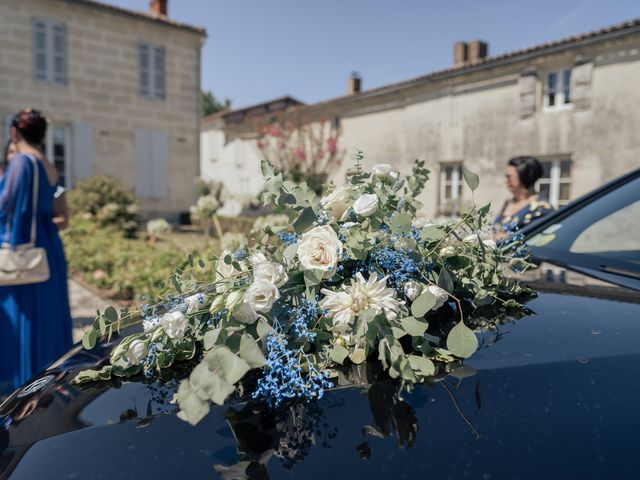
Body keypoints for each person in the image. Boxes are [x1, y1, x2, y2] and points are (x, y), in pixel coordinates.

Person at [0, 109, 72, 395]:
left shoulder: (21, 161)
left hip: (24, 249)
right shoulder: (47, 164)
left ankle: (25, 381)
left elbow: (8, 205)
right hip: (46, 246)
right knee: (46, 314)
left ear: (15, 132)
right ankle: (49, 374)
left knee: (24, 314)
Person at [3, 139, 69, 231]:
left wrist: (32, 227)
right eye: (12, 152)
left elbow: (63, 220)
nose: (16, 156)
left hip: (38, 242)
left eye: (20, 152)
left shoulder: (53, 188)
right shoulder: (2, 186)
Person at [494, 156, 553, 238]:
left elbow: (539, 239)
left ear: (523, 178)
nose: (506, 180)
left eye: (509, 177)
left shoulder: (541, 207)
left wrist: (505, 238)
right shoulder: (508, 201)